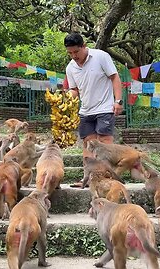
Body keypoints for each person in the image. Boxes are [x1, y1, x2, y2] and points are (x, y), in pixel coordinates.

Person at [63, 32, 123, 187]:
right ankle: (87, 179)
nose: (74, 56)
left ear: (84, 46)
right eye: (70, 53)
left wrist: (118, 101)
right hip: (85, 110)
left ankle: (105, 177)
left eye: (76, 52)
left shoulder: (100, 56)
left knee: (104, 143)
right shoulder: (70, 68)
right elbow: (74, 90)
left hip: (104, 107)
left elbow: (115, 77)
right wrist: (65, 97)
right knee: (88, 144)